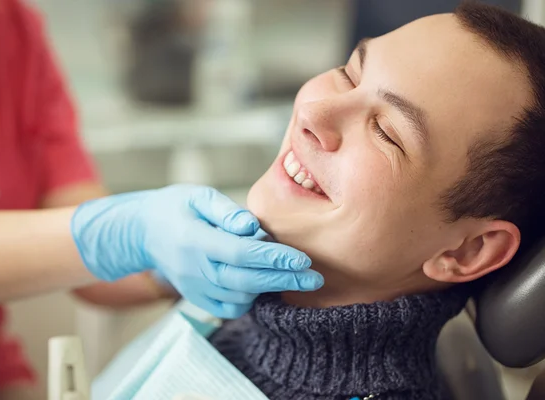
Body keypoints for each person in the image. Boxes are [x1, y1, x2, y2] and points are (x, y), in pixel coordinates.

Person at [0, 0, 323, 399]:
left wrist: (168, 260)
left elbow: (83, 247)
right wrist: (128, 234)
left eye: (385, 131)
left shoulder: (10, 26)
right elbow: (92, 240)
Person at [208, 2, 545, 399]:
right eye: (349, 75)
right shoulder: (245, 304)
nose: (314, 114)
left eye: (386, 132)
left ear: (468, 251)